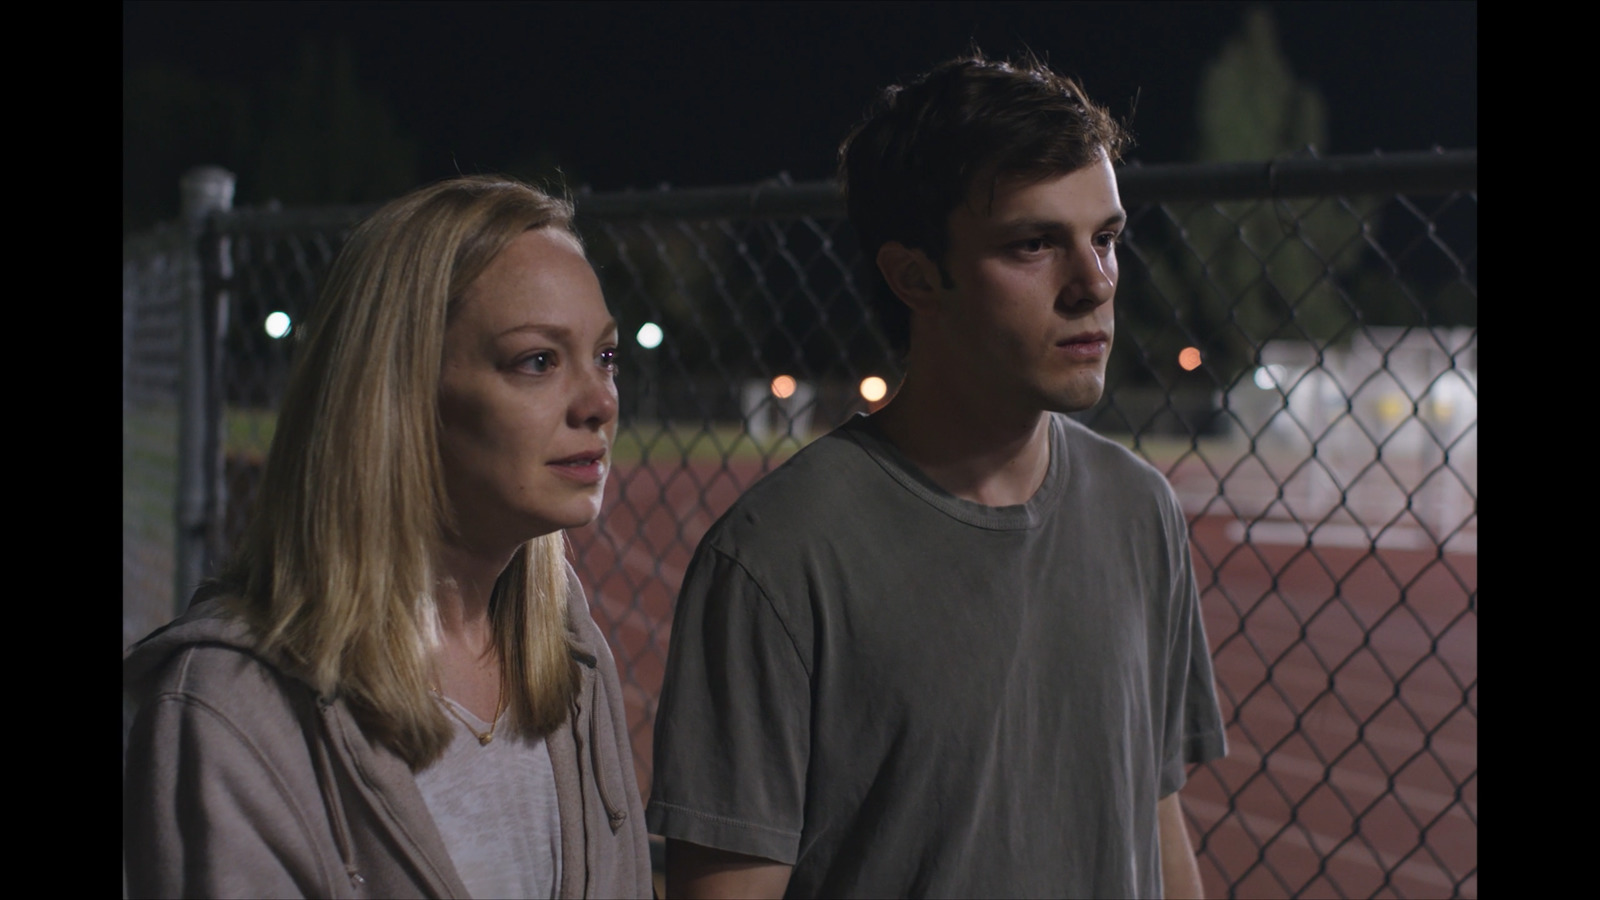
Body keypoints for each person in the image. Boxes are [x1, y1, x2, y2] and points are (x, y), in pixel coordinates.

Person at [645, 52, 1228, 898]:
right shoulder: (777, 558)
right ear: (915, 276)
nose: (1094, 283)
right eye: (1034, 244)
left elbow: (1156, 818)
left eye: (1105, 238)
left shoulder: (1141, 509)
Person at [123, 176, 654, 898]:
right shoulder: (231, 711)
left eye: (606, 356)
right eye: (537, 360)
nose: (600, 402)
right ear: (399, 392)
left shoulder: (568, 647)